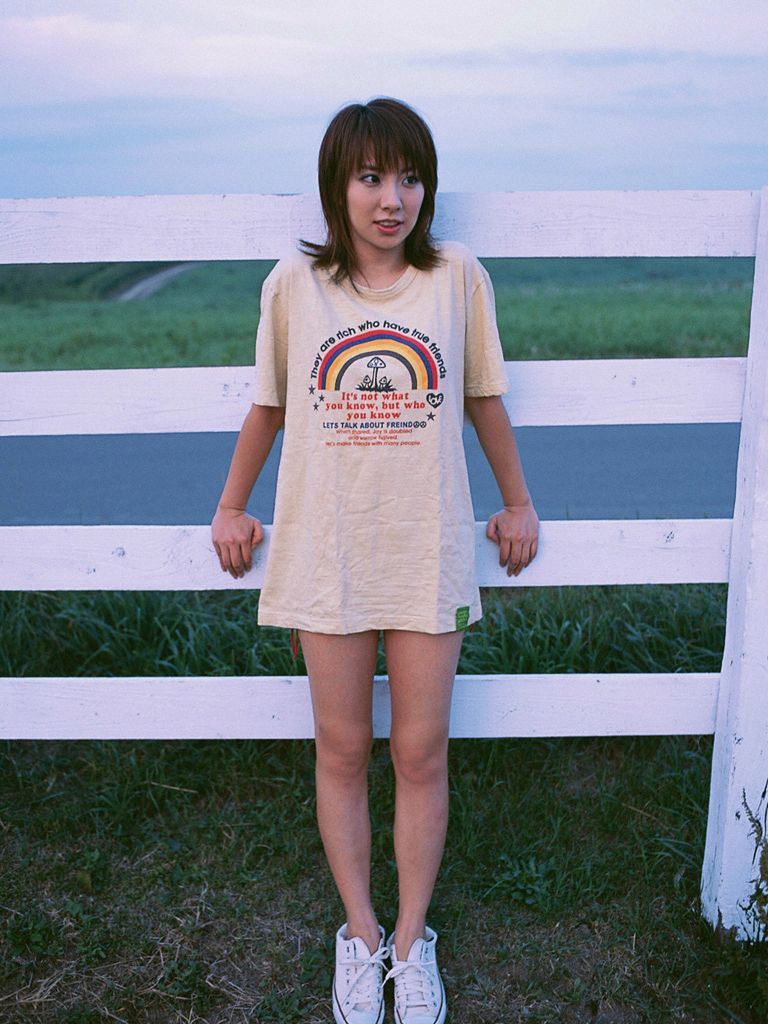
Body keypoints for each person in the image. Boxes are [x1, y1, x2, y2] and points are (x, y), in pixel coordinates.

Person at [211, 97, 538, 1024]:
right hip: (328, 552)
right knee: (344, 748)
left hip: (427, 550)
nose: (392, 199)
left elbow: (483, 399)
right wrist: (232, 504)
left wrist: (517, 500)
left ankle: (410, 940)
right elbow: (272, 404)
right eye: (370, 177)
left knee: (421, 751)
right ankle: (359, 934)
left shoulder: (455, 276)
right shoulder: (295, 284)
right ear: (338, 186)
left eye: (409, 178)